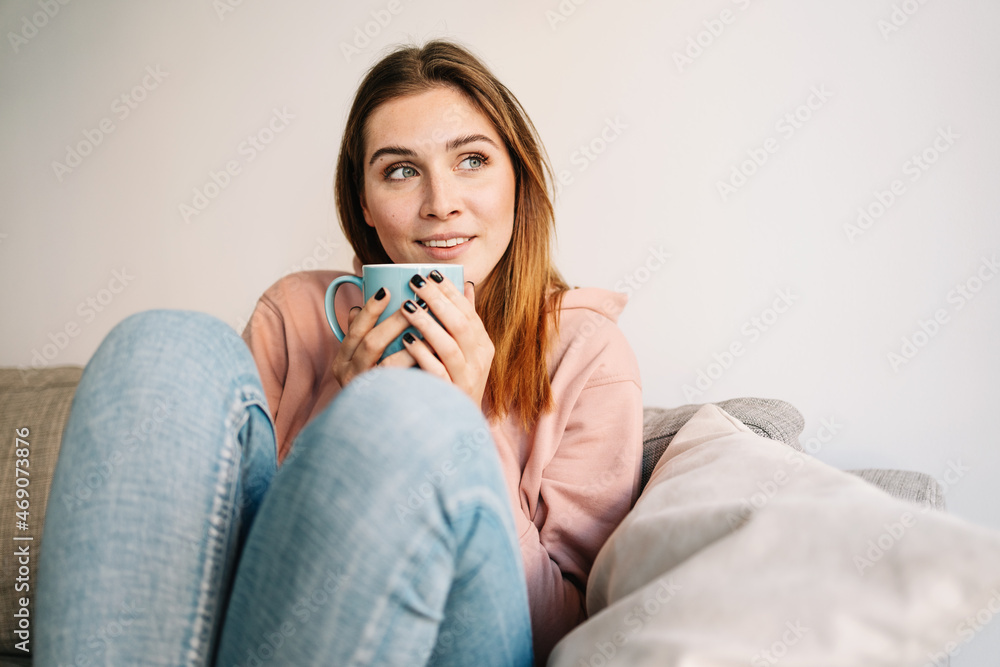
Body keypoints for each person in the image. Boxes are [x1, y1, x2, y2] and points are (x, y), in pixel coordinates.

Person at [36, 40, 643, 665]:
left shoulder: (588, 354)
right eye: (401, 170)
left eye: (471, 160)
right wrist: (341, 403)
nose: (440, 202)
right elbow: (233, 568)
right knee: (162, 344)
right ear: (364, 204)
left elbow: (566, 630)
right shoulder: (296, 315)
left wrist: (460, 427)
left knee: (410, 419)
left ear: (517, 178)